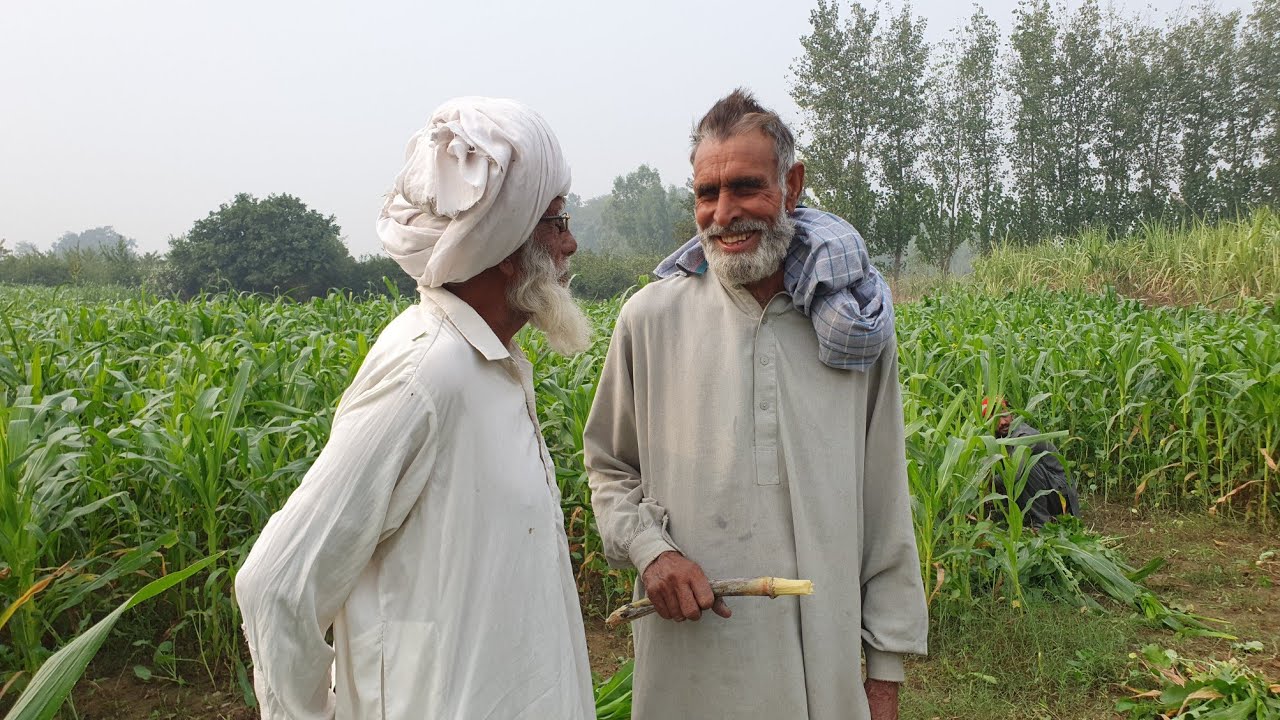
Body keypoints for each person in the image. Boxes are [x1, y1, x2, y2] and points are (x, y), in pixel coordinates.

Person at [234, 96, 596, 720]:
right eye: (556, 223)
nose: (570, 245)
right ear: (508, 246)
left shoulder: (493, 363)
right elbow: (277, 586)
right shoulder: (427, 369)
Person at [584, 89, 928, 720]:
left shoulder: (853, 330)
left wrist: (883, 677)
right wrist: (651, 551)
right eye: (705, 194)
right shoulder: (649, 320)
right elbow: (609, 467)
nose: (723, 214)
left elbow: (884, 504)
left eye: (746, 187)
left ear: (791, 185)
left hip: (820, 667)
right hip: (691, 654)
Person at [984, 397, 1081, 527]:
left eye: (1004, 415)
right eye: (995, 419)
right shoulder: (996, 439)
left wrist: (987, 483)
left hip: (1059, 493)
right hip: (1046, 488)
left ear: (1012, 413)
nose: (1002, 422)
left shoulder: (1024, 436)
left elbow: (1015, 473)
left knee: (1025, 466)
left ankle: (1041, 524)